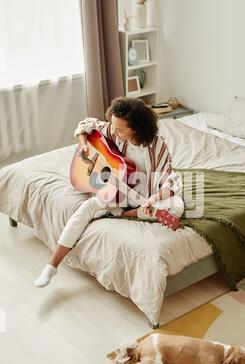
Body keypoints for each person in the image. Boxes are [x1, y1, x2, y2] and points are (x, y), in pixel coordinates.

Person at [34, 96, 184, 288]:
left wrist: (153, 198)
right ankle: (52, 266)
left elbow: (168, 180)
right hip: (117, 191)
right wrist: (85, 144)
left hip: (144, 195)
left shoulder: (157, 146)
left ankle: (122, 214)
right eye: (113, 126)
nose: (113, 131)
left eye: (120, 129)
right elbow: (86, 124)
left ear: (136, 128)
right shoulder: (114, 131)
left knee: (176, 207)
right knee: (86, 208)